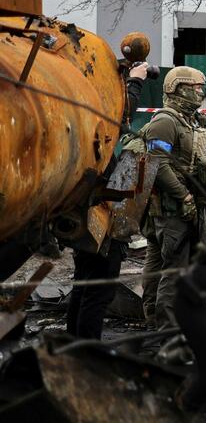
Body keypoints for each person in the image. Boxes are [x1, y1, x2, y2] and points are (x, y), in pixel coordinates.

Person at [67, 62, 149, 339]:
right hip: (100, 219)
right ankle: (87, 350)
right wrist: (135, 82)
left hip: (84, 216)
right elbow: (121, 115)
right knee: (99, 290)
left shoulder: (74, 125)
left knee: (84, 284)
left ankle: (74, 344)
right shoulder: (93, 123)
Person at [142, 66, 206, 328]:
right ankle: (166, 329)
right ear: (180, 89)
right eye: (196, 87)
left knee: (177, 266)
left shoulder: (192, 120)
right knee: (174, 270)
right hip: (171, 209)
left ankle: (161, 321)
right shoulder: (165, 121)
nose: (200, 92)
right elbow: (158, 164)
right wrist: (185, 196)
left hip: (190, 205)